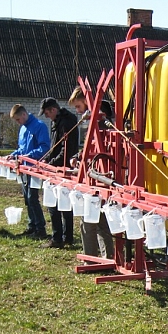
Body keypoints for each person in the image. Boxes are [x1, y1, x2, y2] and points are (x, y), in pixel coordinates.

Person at [67, 86, 114, 260]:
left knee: (88, 219)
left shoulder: (98, 120)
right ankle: (108, 257)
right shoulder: (102, 118)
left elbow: (95, 146)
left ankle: (90, 259)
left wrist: (82, 157)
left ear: (86, 101)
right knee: (101, 221)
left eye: (79, 106)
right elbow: (91, 145)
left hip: (98, 175)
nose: (78, 112)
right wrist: (79, 156)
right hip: (103, 173)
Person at [39, 97, 79, 248]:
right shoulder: (58, 121)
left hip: (62, 167)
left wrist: (50, 163)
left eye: (47, 113)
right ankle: (66, 237)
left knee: (55, 204)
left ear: (53, 110)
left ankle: (58, 238)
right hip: (58, 164)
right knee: (64, 203)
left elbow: (65, 149)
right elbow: (54, 146)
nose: (46, 116)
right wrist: (47, 159)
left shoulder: (66, 122)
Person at [8, 104, 50, 239]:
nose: (17, 122)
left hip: (34, 168)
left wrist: (29, 155)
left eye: (18, 119)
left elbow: (44, 148)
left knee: (33, 198)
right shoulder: (23, 129)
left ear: (24, 115)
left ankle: (40, 228)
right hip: (23, 168)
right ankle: (32, 225)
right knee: (27, 198)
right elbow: (21, 148)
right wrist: (14, 154)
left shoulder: (39, 126)